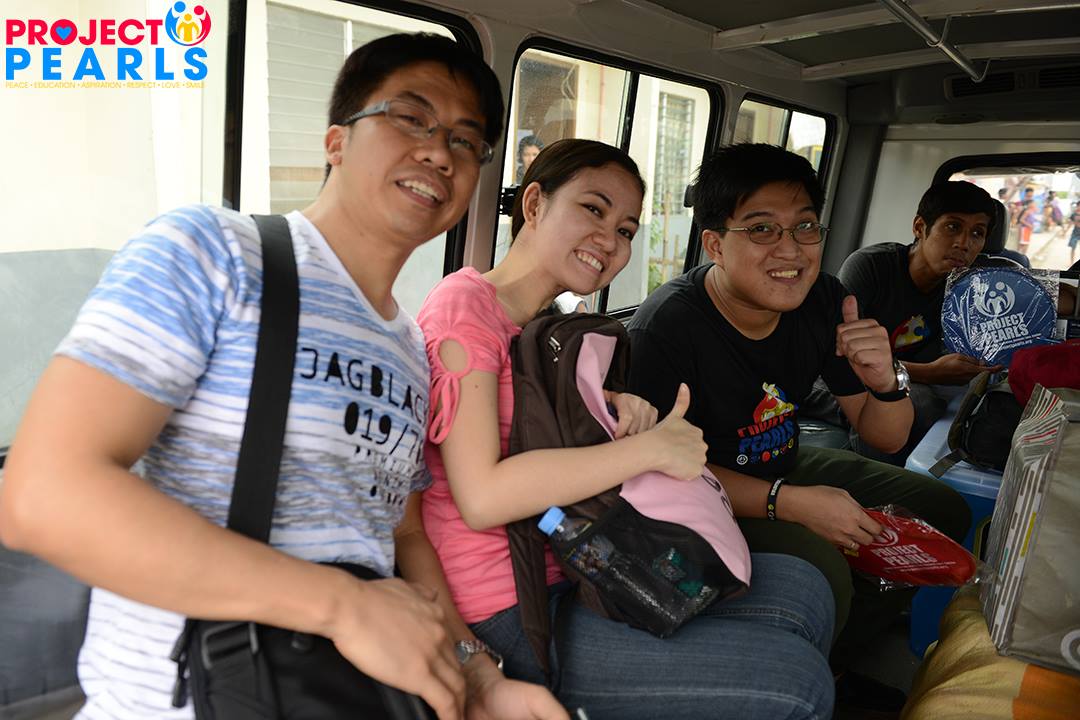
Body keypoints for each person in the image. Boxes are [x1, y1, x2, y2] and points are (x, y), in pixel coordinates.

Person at [0, 33, 563, 720]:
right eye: (410, 118)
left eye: (465, 141)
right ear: (336, 141)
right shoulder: (213, 252)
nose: (439, 152)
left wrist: (478, 678)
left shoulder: (411, 350)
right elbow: (42, 494)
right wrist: (342, 605)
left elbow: (402, 536)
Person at [416, 138, 836, 719]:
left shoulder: (547, 325)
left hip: (577, 557)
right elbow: (483, 496)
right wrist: (650, 450)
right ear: (534, 204)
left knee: (804, 590)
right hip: (510, 604)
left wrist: (619, 413)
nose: (610, 240)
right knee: (799, 684)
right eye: (593, 209)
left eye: (626, 229)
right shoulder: (466, 308)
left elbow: (542, 441)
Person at [626, 143, 970, 717]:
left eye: (805, 226)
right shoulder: (666, 329)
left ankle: (841, 657)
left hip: (785, 461)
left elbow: (884, 437)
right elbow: (652, 470)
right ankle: (810, 678)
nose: (790, 250)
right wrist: (791, 504)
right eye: (762, 229)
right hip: (700, 494)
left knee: (943, 509)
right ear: (715, 243)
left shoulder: (824, 299)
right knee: (824, 568)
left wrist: (887, 381)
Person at [837, 181, 1003, 463]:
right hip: (837, 379)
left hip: (899, 377)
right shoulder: (871, 267)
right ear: (919, 227)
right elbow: (842, 358)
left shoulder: (968, 286)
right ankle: (867, 477)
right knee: (920, 403)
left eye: (977, 233)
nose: (964, 243)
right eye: (952, 227)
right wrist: (930, 372)